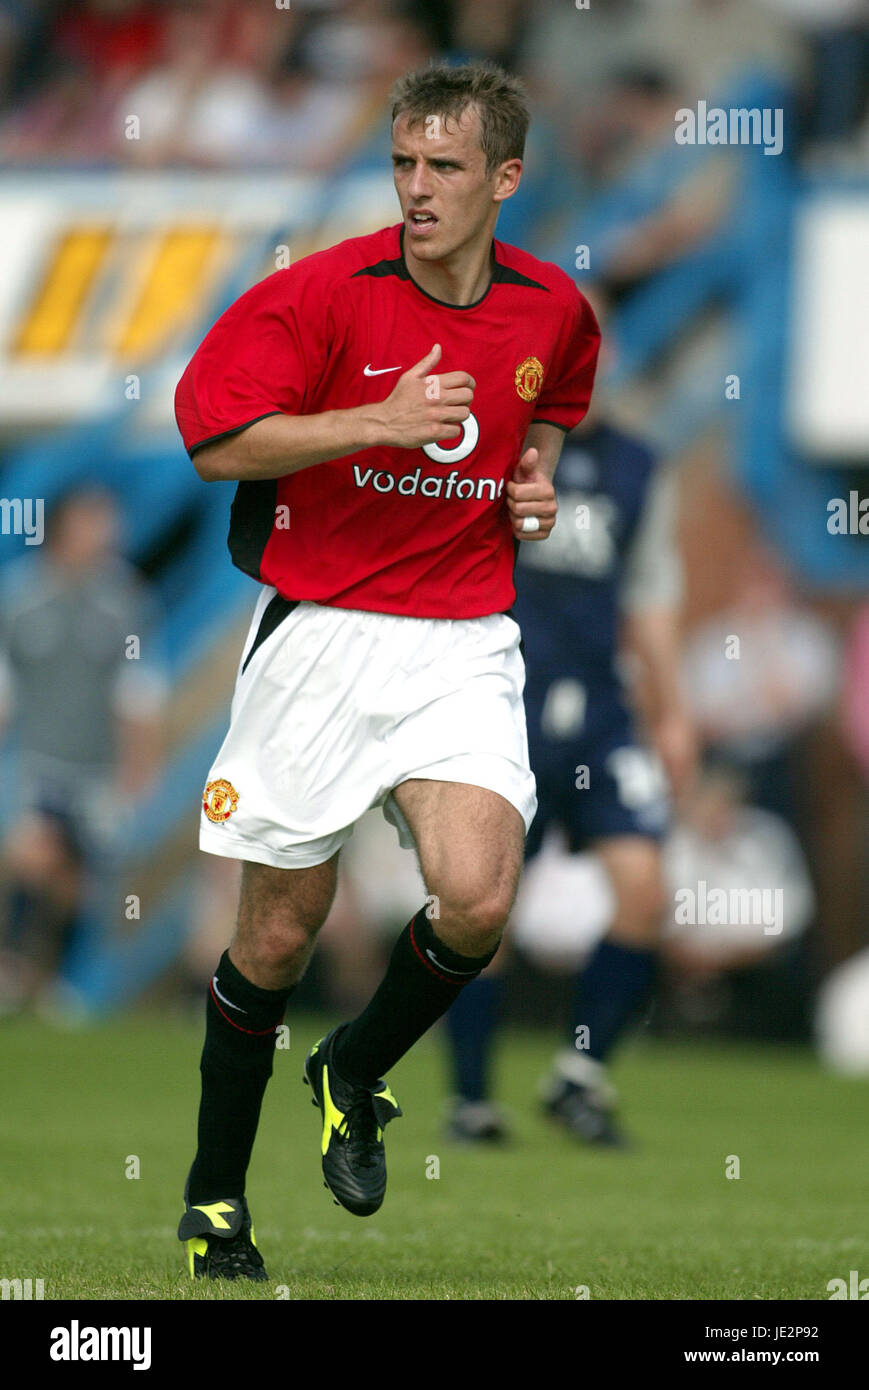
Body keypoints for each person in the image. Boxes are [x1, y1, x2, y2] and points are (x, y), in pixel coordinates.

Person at [172, 61, 600, 1280]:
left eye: (445, 168)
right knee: (278, 936)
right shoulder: (316, 295)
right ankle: (214, 1200)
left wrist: (537, 475)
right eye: (403, 164)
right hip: (319, 627)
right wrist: (373, 422)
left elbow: (555, 393)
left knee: (477, 898)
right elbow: (211, 442)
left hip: (462, 636)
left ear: (505, 179)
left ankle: (351, 1069)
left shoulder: (550, 306)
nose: (416, 190)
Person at [444, 345, 695, 1146]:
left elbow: (650, 601)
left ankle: (578, 1075)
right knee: (480, 904)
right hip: (499, 702)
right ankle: (472, 1098)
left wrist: (672, 712)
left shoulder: (639, 468)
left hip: (600, 708)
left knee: (646, 890)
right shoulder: (491, 445)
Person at [0, 486, 166, 1013]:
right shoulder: (21, 596)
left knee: (79, 881)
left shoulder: (125, 601)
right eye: (96, 521)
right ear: (65, 528)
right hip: (34, 764)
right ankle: (13, 968)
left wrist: (140, 769)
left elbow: (140, 693)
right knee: (33, 857)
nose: (107, 534)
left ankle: (56, 986)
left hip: (97, 769)